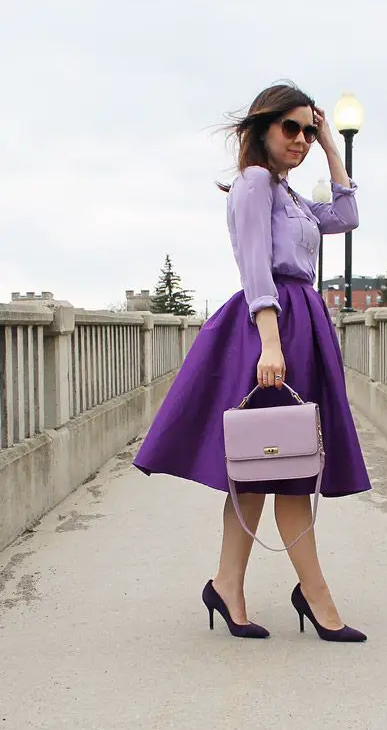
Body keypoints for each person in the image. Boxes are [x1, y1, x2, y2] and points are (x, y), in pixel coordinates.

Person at [134, 82, 371, 642]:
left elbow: (347, 216)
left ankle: (226, 584)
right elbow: (253, 269)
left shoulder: (288, 192)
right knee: (282, 467)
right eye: (291, 128)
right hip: (274, 328)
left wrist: (334, 147)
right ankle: (317, 600)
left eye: (307, 130)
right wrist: (270, 342)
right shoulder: (254, 182)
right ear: (262, 130)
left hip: (301, 324)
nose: (301, 139)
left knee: (265, 469)